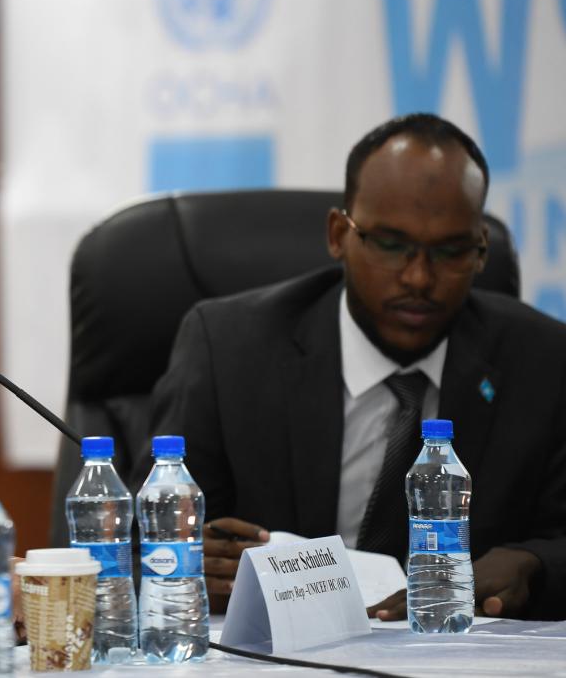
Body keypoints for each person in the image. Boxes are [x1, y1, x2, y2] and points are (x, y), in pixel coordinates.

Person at [135, 113, 566, 621]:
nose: (419, 277)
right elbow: (153, 538)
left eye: (450, 252)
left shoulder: (544, 359)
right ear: (339, 234)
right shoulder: (228, 347)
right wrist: (191, 564)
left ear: (480, 254)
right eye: (390, 244)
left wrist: (534, 563)